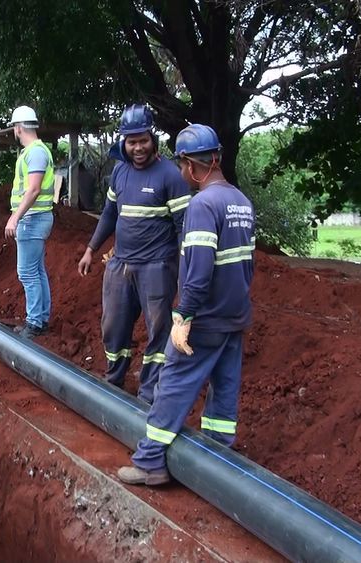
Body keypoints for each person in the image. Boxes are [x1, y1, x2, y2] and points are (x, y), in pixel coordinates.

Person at [117, 124, 255, 486]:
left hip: (205, 318)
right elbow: (246, 265)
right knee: (225, 388)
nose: (181, 174)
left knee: (173, 383)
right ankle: (217, 460)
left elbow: (199, 268)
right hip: (234, 314)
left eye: (182, 166)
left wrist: (183, 315)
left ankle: (150, 463)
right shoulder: (241, 202)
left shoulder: (203, 205)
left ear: (195, 167)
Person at [77, 104, 192, 403]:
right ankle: (114, 378)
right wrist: (91, 250)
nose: (138, 147)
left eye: (142, 140)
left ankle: (147, 393)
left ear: (152, 138)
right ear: (123, 143)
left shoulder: (171, 176)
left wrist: (184, 273)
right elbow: (109, 214)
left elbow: (183, 229)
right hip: (121, 265)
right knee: (113, 326)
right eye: (131, 141)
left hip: (157, 267)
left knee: (158, 330)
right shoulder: (120, 172)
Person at [4, 105, 55, 339]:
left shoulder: (35, 152)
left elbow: (33, 189)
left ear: (18, 127)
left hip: (32, 220)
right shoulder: (37, 150)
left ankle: (34, 322)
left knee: (27, 273)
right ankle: (41, 318)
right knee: (37, 270)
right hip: (36, 218)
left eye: (14, 127)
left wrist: (15, 216)